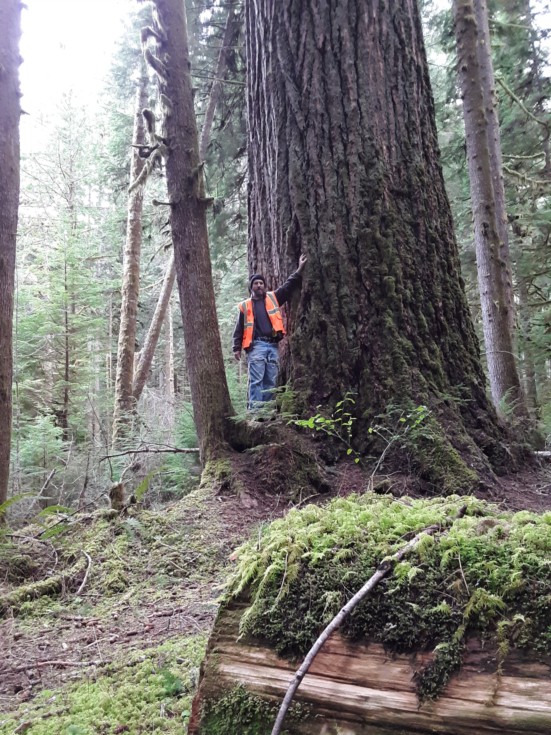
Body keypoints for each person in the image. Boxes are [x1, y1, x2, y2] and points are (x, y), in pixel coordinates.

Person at [233, 255, 307, 410]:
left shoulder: (273, 298)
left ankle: (266, 412)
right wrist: (236, 348)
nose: (259, 285)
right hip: (256, 346)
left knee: (271, 381)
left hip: (273, 346)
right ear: (251, 287)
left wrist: (299, 270)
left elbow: (288, 286)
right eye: (256, 283)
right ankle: (255, 412)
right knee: (256, 380)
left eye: (261, 283)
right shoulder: (245, 306)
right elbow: (239, 328)